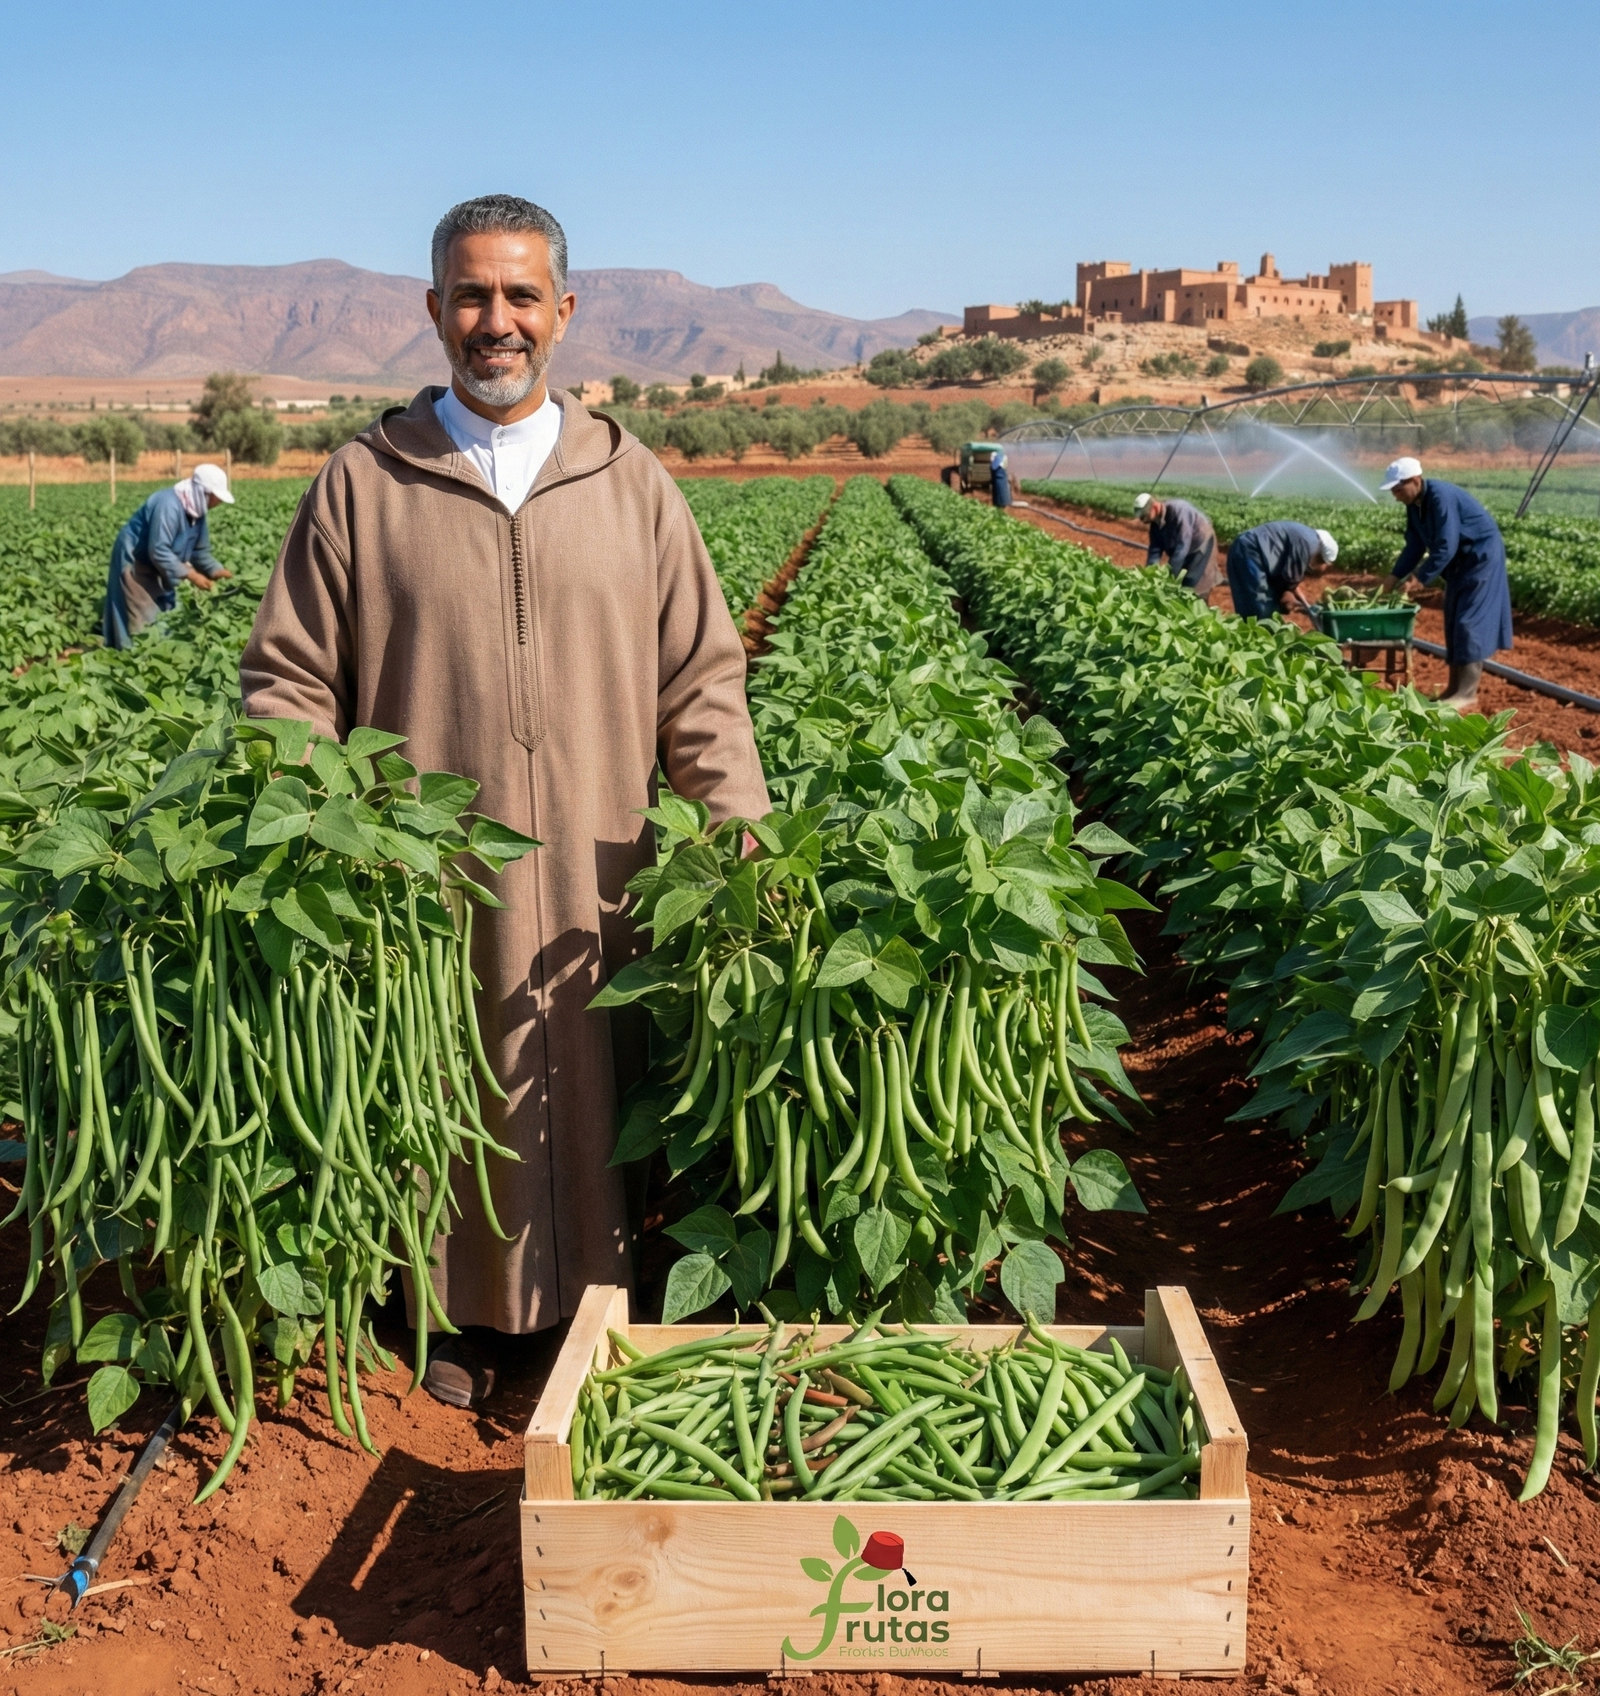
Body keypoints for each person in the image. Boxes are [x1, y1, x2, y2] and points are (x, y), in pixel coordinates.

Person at [239, 194, 769, 1408]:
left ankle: (598, 1312)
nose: (497, 321)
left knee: (594, 1078)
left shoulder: (631, 484)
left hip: (602, 870)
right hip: (425, 881)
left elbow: (702, 684)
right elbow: (288, 680)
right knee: (442, 1076)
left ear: (564, 313)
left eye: (521, 296)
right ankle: (453, 1314)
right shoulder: (364, 485)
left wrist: (737, 832)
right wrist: (321, 836)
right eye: (471, 296)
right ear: (432, 311)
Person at [1377, 456, 1511, 710]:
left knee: (1468, 622)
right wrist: (1394, 577)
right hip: (1458, 564)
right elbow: (1415, 545)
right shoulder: (1414, 504)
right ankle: (1453, 689)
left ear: (1415, 481)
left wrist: (1418, 579)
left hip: (1480, 559)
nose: (1395, 496)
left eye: (1398, 489)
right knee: (1452, 620)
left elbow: (1446, 545)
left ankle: (1467, 693)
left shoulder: (1440, 496)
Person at [102, 462, 235, 648]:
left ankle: (159, 651)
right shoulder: (168, 505)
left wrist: (217, 571)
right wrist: (192, 574)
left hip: (161, 563)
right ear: (203, 492)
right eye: (216, 497)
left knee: (168, 611)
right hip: (136, 558)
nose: (218, 503)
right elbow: (158, 549)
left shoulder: (197, 512)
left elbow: (200, 551)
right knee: (142, 614)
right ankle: (132, 656)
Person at [1226, 521, 1338, 620]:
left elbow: (1288, 580)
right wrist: (1287, 595)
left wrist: (1299, 600)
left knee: (1246, 604)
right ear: (1322, 556)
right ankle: (1261, 638)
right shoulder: (1309, 544)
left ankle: (1249, 638)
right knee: (1260, 606)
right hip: (1251, 552)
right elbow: (1289, 578)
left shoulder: (1307, 536)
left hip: (1241, 547)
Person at [1133, 491, 1217, 593]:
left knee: (1193, 583)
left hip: (1200, 543)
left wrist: (1170, 577)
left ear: (1154, 507)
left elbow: (1182, 546)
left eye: (1143, 516)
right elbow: (1154, 552)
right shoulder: (1155, 524)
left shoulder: (1178, 510)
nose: (1142, 520)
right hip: (1183, 549)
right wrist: (1149, 576)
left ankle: (1201, 605)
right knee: (1180, 584)